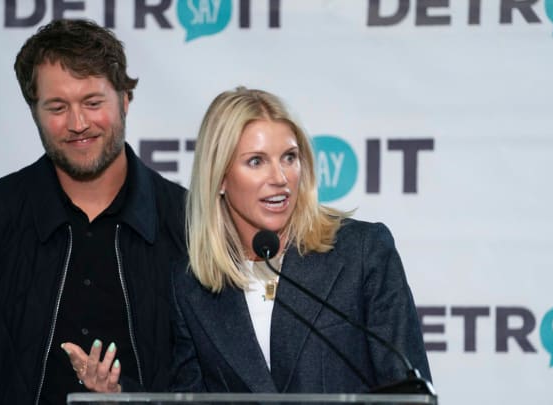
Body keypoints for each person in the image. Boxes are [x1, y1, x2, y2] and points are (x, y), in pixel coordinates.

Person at [0, 19, 186, 404]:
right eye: (57, 107)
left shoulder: (188, 221)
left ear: (125, 99)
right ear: (34, 111)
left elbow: (208, 371)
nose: (78, 124)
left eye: (93, 103)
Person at [169, 86, 432, 393]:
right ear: (220, 178)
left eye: (289, 157)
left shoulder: (362, 252)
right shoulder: (190, 287)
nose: (280, 177)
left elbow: (407, 392)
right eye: (256, 161)